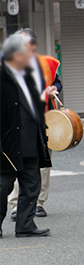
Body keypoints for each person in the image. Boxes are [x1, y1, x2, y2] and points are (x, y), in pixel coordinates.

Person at [0, 33, 54, 238]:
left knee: (32, 185)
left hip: (30, 141)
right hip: (8, 144)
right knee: (3, 186)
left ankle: (25, 224)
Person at [8, 28, 61, 221]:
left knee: (42, 163)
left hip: (43, 119)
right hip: (15, 121)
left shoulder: (46, 63)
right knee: (14, 162)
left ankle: (38, 203)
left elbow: (57, 81)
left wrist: (55, 88)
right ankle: (15, 205)